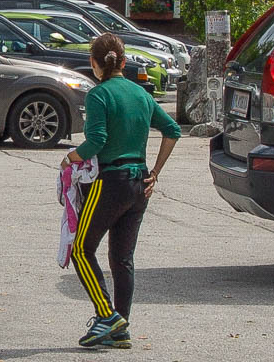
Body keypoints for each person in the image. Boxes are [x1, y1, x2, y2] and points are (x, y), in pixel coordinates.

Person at [64, 32, 180, 349]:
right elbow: (173, 130)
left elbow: (96, 141)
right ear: (124, 62)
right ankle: (121, 328)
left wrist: (70, 157)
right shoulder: (141, 94)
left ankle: (108, 315)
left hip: (109, 183)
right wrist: (154, 171)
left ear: (94, 64)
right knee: (122, 258)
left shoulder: (99, 95)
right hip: (138, 184)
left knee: (80, 250)